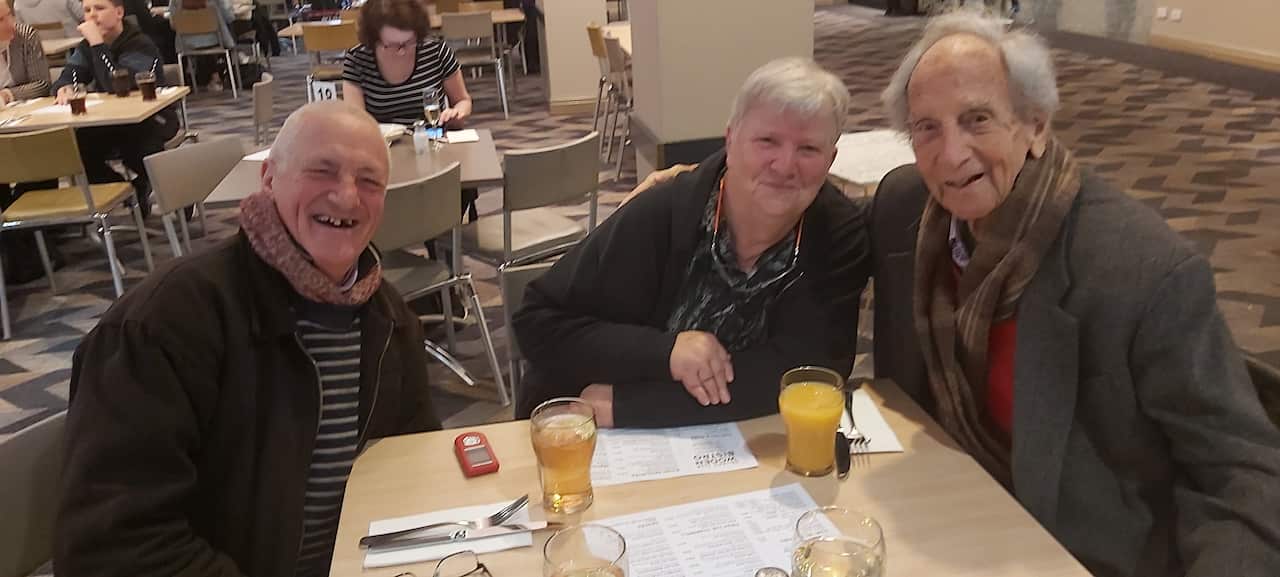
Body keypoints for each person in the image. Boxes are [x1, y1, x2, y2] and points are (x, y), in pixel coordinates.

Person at [872, 11, 1280, 576]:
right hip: (953, 514)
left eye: (978, 119)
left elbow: (1242, 472)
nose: (950, 154)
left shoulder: (1142, 272)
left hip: (1085, 554)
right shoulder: (911, 220)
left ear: (1035, 126)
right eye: (926, 128)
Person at [56, 102, 443, 576]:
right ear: (268, 179)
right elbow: (112, 545)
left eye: (369, 182)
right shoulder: (166, 324)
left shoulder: (390, 321)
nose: (346, 197)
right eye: (322, 171)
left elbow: (413, 475)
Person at [513, 58, 871, 428]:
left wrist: (631, 406)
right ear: (731, 140)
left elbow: (807, 375)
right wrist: (664, 352)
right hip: (584, 432)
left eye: (808, 149)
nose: (784, 165)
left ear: (830, 159)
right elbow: (537, 323)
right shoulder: (664, 211)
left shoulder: (837, 234)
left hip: (714, 433)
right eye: (767, 141)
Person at [51, 0, 177, 215]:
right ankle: (128, 190)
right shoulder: (87, 46)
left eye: (99, 9)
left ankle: (174, 189)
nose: (92, 16)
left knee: (137, 147)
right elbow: (68, 77)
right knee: (78, 149)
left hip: (151, 118)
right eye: (87, 10)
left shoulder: (140, 43)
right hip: (111, 121)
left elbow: (117, 84)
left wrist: (97, 45)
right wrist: (63, 88)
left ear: (119, 12)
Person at [0, 0, 59, 284]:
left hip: (31, 124)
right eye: (0, 20)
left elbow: (41, 84)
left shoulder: (25, 36)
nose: (9, 24)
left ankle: (37, 245)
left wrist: (8, 95)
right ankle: (16, 252)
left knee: (43, 163)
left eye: (8, 15)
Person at [342, 0, 471, 128]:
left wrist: (457, 113)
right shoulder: (357, 59)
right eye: (392, 45)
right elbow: (356, 120)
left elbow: (462, 100)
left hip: (433, 137)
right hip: (381, 142)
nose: (402, 52)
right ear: (374, 38)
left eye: (409, 42)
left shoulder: (435, 51)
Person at [13, 0, 81, 37]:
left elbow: (21, 30)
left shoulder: (17, 3)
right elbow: (84, 15)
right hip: (75, 46)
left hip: (40, 51)